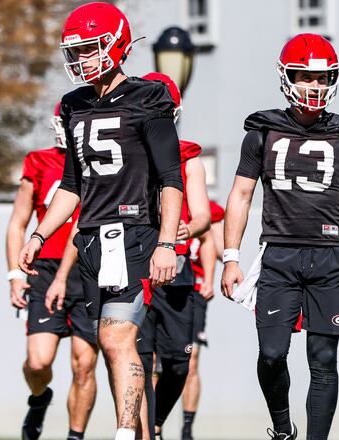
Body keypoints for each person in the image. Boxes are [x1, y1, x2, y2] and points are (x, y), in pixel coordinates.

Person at [18, 4, 183, 439]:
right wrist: (39, 234)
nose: (81, 59)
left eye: (90, 48)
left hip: (134, 235)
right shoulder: (74, 105)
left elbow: (170, 177)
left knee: (117, 340)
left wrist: (166, 244)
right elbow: (72, 185)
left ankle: (125, 433)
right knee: (109, 349)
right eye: (76, 50)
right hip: (90, 240)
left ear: (116, 45)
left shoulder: (148, 98)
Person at [221, 33, 339, 440]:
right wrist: (230, 256)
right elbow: (240, 194)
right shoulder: (261, 133)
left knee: (323, 358)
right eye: (304, 76)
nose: (314, 86)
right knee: (272, 355)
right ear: (286, 76)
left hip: (328, 255)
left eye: (322, 78)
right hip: (278, 255)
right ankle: (281, 427)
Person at [5, 102, 98, 440]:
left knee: (83, 364)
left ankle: (75, 435)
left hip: (89, 269)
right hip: (45, 269)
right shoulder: (40, 161)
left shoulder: (100, 159)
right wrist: (15, 275)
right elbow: (17, 224)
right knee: (39, 361)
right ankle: (40, 397)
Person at [135, 72, 211, 440]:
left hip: (177, 269)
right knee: (141, 360)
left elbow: (203, 216)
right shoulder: (129, 151)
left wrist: (188, 229)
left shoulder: (188, 156)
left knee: (180, 363)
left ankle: (158, 421)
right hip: (136, 265)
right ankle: (145, 432)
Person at [181, 200, 225, 440]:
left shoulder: (206, 209)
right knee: (154, 362)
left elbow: (218, 248)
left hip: (194, 291)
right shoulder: (154, 195)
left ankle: (187, 429)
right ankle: (153, 426)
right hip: (161, 289)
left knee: (191, 359)